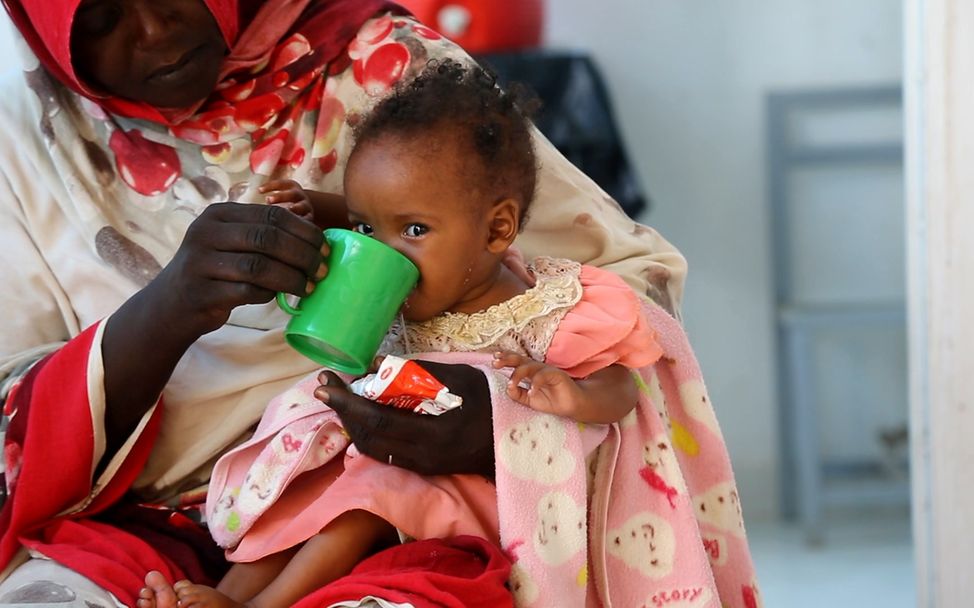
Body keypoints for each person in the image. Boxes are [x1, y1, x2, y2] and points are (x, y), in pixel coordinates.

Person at [0, 1, 747, 607]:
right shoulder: (21, 144)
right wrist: (169, 307)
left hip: (425, 520)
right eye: (99, 17)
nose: (155, 29)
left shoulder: (390, 73)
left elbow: (630, 292)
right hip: (142, 526)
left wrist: (504, 426)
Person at [137, 58, 661, 608]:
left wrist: (573, 393)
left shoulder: (541, 305)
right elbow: (383, 214)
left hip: (469, 491)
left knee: (363, 500)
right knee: (314, 489)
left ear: (497, 228)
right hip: (387, 463)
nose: (383, 250)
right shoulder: (418, 271)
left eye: (413, 230)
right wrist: (314, 209)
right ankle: (223, 594)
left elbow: (622, 387)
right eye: (366, 228)